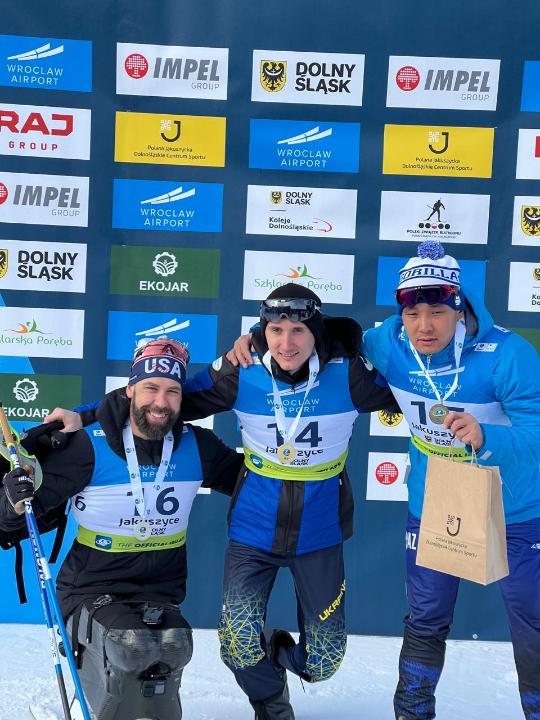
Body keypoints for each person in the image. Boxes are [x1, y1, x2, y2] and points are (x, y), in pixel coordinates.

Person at [48, 283, 399, 720]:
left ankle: (276, 650)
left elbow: (419, 383)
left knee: (323, 661)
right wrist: (84, 415)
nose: (286, 343)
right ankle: (270, 703)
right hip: (254, 529)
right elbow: (162, 397)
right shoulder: (241, 369)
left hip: (319, 532)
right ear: (262, 330)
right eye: (276, 330)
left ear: (317, 331)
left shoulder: (350, 376)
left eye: (298, 331)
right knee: (237, 644)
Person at [231, 242, 540, 720]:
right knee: (426, 618)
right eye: (413, 314)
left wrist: (488, 436)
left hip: (515, 508)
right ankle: (412, 713)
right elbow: (322, 336)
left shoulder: (508, 353)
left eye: (437, 313)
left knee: (532, 625)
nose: (424, 326)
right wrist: (257, 338)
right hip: (438, 503)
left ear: (460, 308)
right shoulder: (388, 343)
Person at [0, 338, 244, 720]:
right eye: (150, 388)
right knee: (132, 645)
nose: (161, 402)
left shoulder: (198, 446)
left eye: (172, 391)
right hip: (91, 588)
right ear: (129, 390)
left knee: (175, 645)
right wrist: (11, 499)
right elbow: (16, 520)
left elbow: (251, 484)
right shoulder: (87, 446)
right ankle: (93, 682)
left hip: (160, 590)